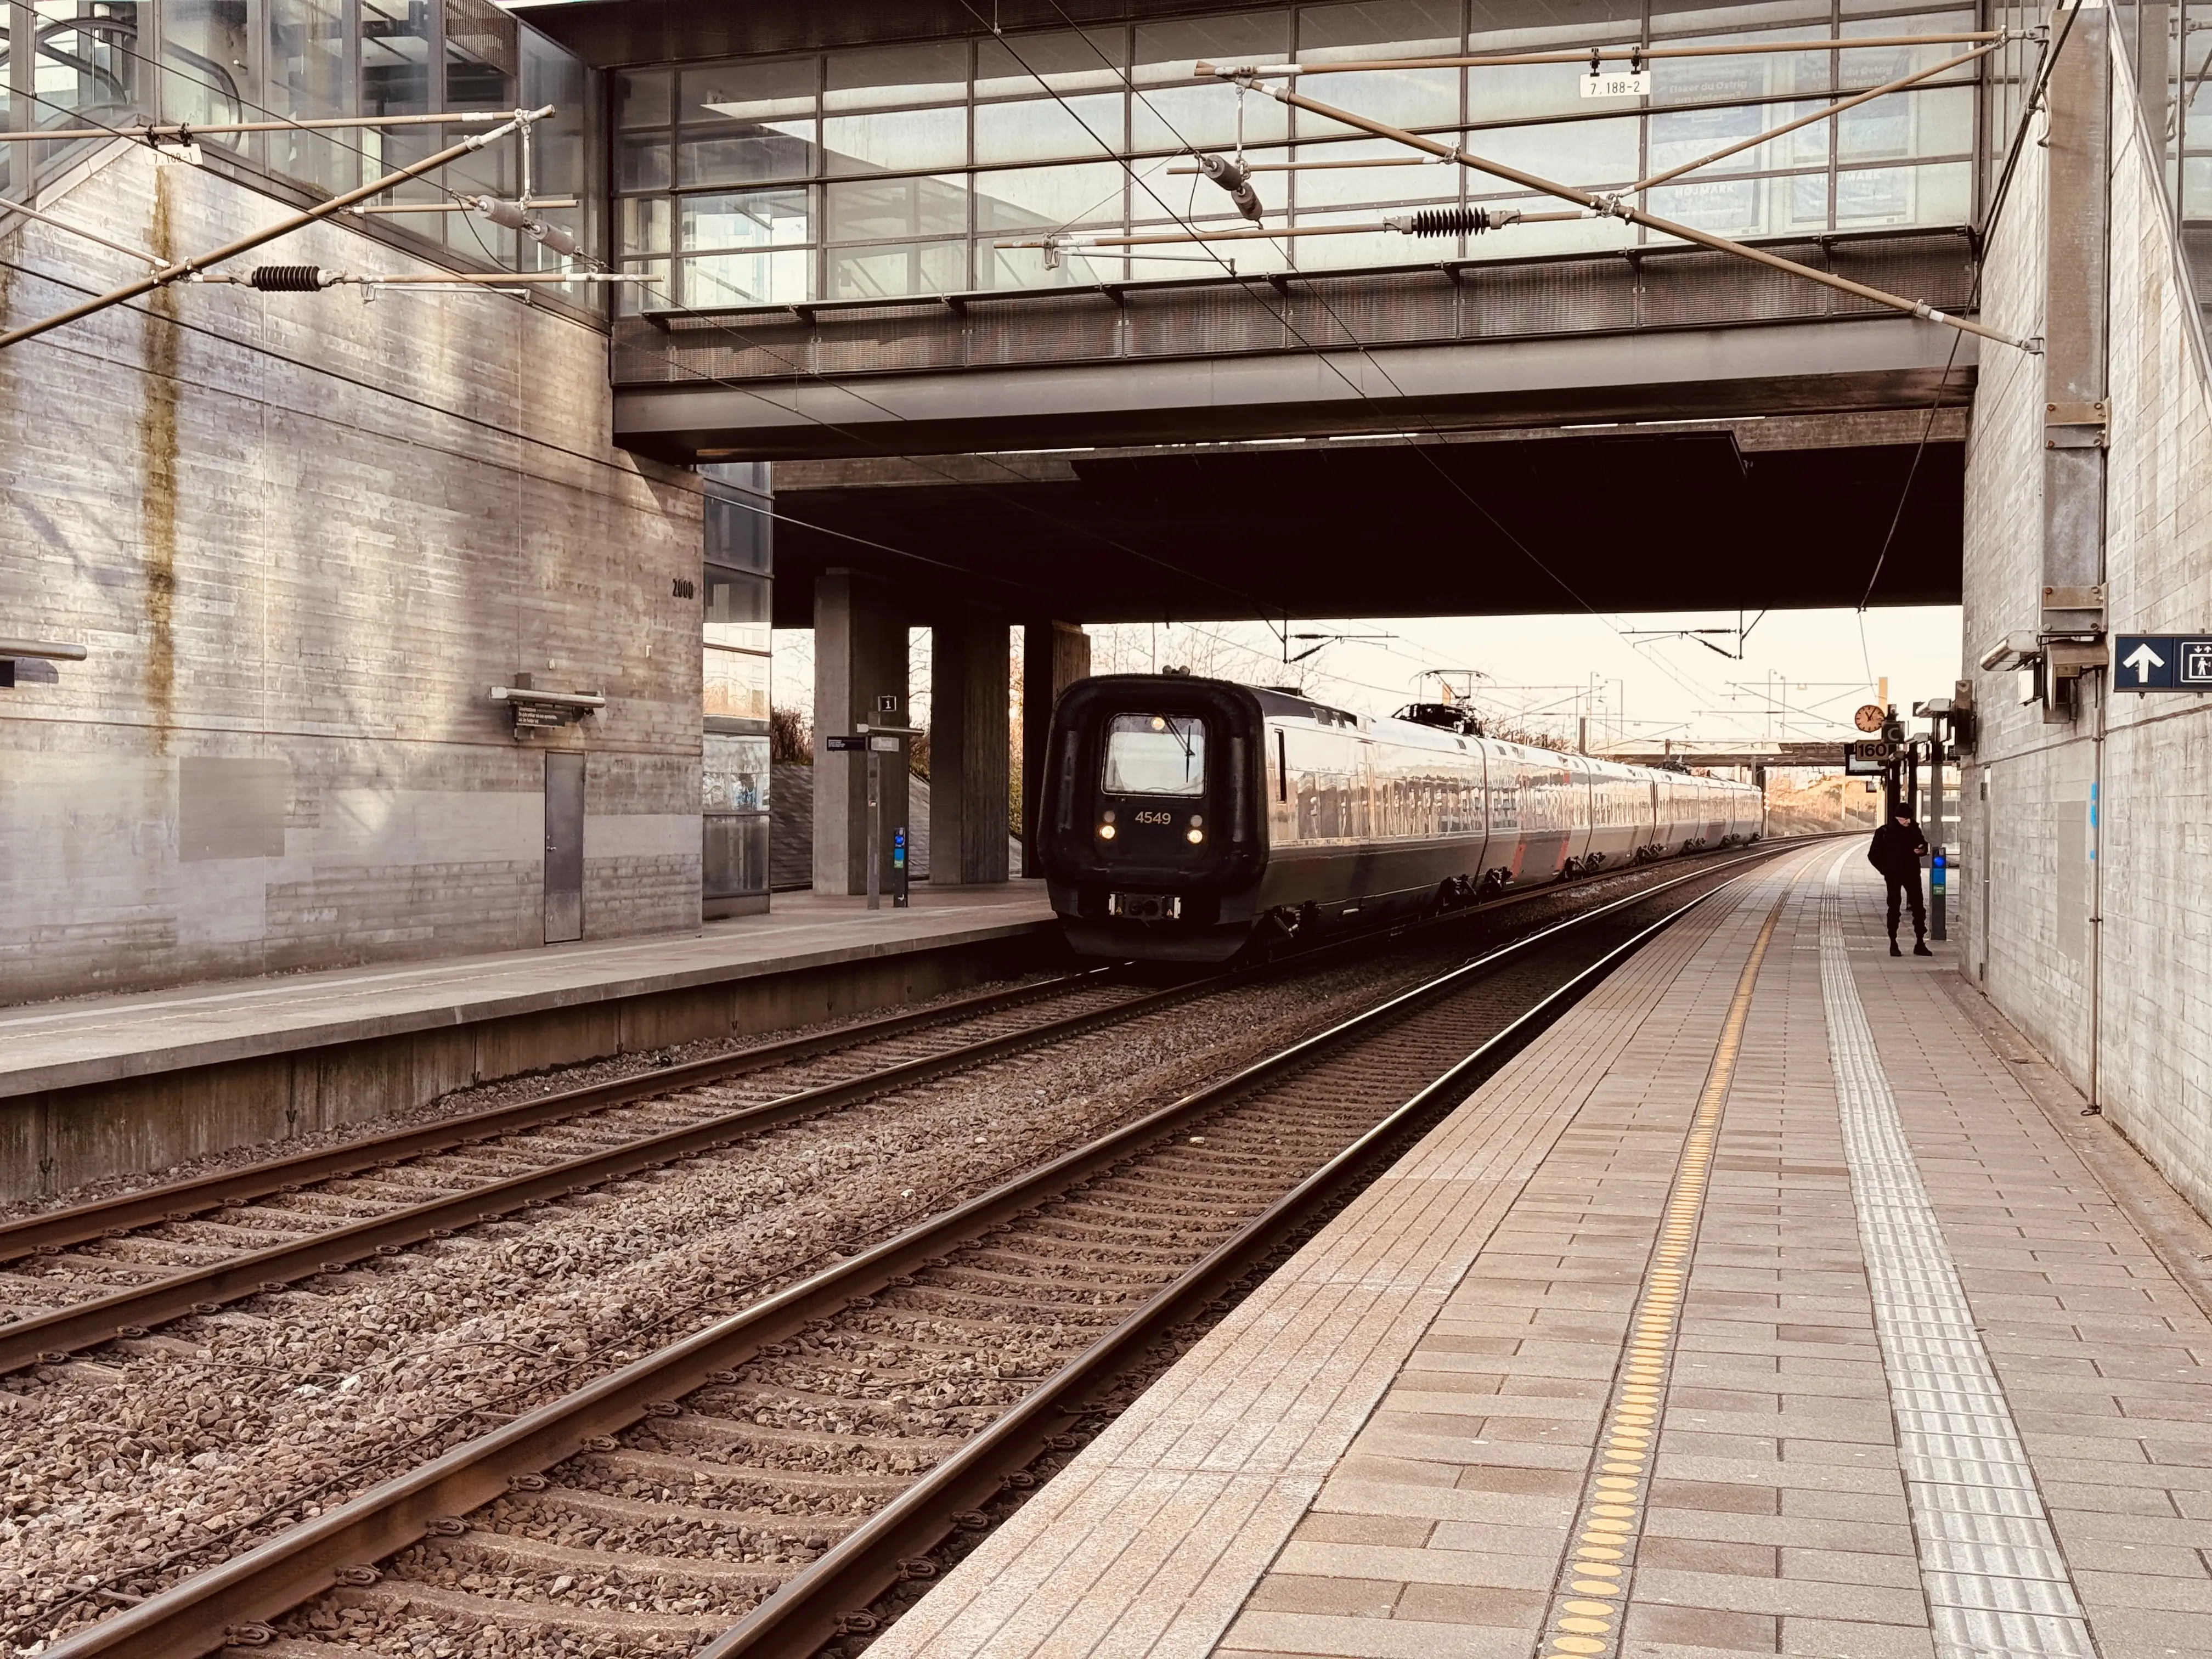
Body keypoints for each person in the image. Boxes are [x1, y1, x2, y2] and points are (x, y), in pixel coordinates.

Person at [1868, 807, 1931, 957]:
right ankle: (1893, 943)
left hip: (1912, 873)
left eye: (1909, 818)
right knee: (1894, 907)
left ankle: (1920, 942)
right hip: (1894, 874)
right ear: (1896, 818)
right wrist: (1885, 870)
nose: (1907, 821)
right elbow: (1873, 855)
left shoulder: (1914, 829)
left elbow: (1922, 844)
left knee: (1918, 907)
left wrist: (1922, 850)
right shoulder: (1884, 832)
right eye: (1904, 819)